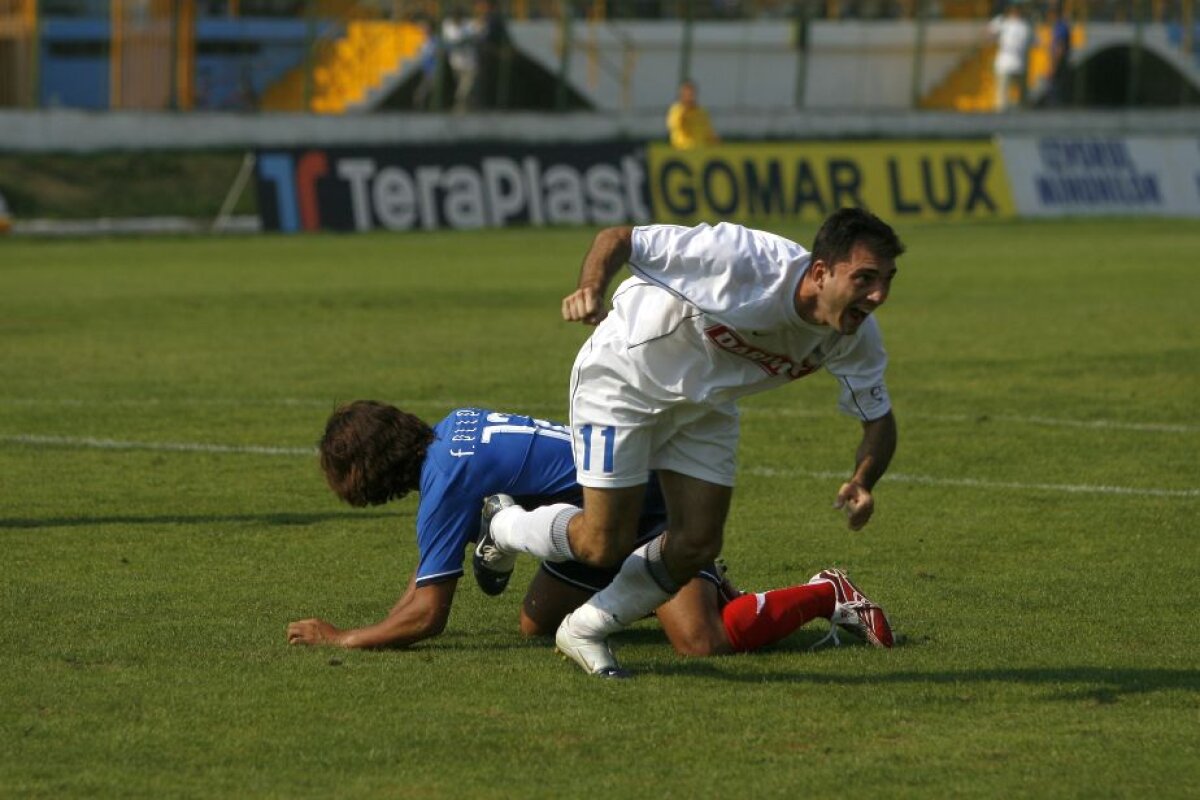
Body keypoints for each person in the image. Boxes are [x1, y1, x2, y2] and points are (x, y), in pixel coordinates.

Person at [474, 208, 905, 677]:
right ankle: (504, 524)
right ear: (821, 273)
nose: (878, 295)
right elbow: (619, 238)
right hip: (622, 380)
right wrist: (591, 289)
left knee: (697, 543)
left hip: (705, 407)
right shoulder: (743, 261)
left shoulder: (856, 335)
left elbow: (878, 420)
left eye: (886, 280)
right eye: (864, 279)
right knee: (602, 544)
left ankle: (586, 628)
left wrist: (864, 480)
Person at [286, 401, 894, 656]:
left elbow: (428, 614)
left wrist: (344, 638)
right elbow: (427, 580)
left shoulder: (445, 484)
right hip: (595, 513)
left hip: (651, 508)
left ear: (367, 467)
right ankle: (507, 532)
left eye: (341, 471)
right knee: (535, 625)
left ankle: (828, 592)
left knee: (700, 642)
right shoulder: (451, 434)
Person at [988, 1, 1033, 111]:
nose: (1015, 11)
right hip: (1004, 64)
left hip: (1019, 64)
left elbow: (1029, 44)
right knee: (1002, 98)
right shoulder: (1002, 22)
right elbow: (988, 34)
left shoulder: (1025, 26)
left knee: (1022, 97)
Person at [441, 7, 479, 113]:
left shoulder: (470, 25)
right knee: (462, 87)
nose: (456, 19)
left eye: (458, 17)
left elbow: (476, 38)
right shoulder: (447, 25)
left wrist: (467, 40)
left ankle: (459, 109)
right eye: (454, 17)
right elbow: (445, 42)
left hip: (470, 63)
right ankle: (469, 108)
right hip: (455, 63)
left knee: (463, 90)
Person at [666, 80, 720, 150]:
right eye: (687, 95)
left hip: (700, 151)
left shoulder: (702, 112)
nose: (690, 97)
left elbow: (709, 132)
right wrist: (685, 110)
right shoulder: (676, 110)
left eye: (692, 94)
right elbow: (675, 126)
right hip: (682, 151)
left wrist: (714, 140)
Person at [1044, 2, 1072, 107]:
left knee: (1054, 90)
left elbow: (1060, 47)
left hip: (1058, 62)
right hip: (1060, 61)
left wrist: (1053, 66)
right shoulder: (1060, 25)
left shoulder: (1060, 26)